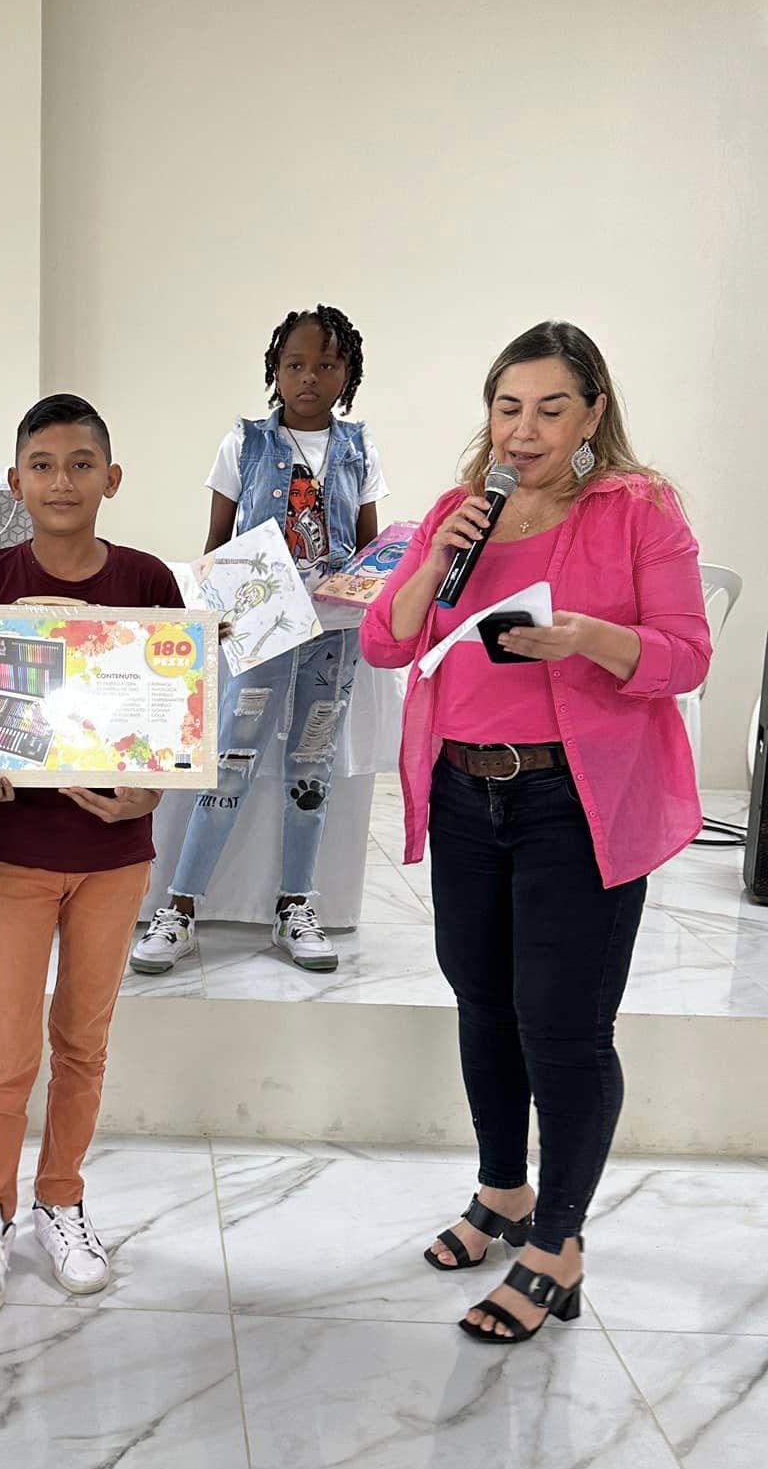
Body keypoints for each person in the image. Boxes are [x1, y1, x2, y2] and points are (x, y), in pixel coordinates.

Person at [362, 322, 711, 1345]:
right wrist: (437, 556)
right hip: (468, 796)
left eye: (551, 409)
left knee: (562, 1024)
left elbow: (687, 653)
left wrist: (588, 639)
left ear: (592, 413)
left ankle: (557, 1245)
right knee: (483, 1003)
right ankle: (502, 1191)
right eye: (507, 408)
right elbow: (386, 640)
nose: (524, 430)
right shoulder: (458, 512)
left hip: (574, 803)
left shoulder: (637, 509)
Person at [0, 394, 185, 1314]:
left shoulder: (148, 581)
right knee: (6, 1051)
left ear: (111, 479)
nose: (61, 481)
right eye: (42, 465)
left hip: (116, 857)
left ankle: (61, 1199)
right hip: (17, 852)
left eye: (81, 464)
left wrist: (150, 790)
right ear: (14, 482)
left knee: (83, 1043)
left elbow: (172, 722)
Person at [131, 305, 388, 976]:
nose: (309, 378)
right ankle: (179, 908)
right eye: (295, 364)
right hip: (258, 630)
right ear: (275, 369)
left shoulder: (359, 449)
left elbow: (369, 550)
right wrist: (212, 612)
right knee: (229, 760)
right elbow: (216, 544)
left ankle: (295, 905)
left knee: (312, 765)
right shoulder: (243, 444)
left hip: (333, 639)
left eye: (326, 365)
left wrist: (374, 588)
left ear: (348, 374)